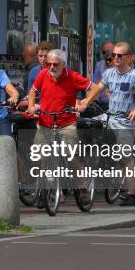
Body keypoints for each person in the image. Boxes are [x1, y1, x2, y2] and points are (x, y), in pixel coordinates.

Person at [80, 41, 135, 206]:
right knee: (86, 127)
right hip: (109, 117)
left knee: (126, 157)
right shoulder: (109, 73)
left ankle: (131, 194)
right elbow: (97, 88)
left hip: (125, 121)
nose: (116, 58)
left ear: (129, 57)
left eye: (120, 55)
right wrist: (86, 102)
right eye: (114, 56)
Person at [27, 49, 93, 203]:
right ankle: (42, 189)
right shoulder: (43, 74)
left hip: (66, 123)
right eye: (48, 64)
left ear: (63, 64)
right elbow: (32, 92)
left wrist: (85, 103)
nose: (51, 67)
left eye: (55, 64)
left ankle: (82, 189)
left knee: (72, 156)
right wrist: (31, 106)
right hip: (45, 122)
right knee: (37, 156)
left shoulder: (73, 77)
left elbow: (94, 87)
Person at [92, 41, 114, 110]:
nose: (107, 54)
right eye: (104, 52)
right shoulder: (100, 65)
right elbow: (95, 84)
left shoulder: (120, 65)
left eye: (109, 52)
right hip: (102, 104)